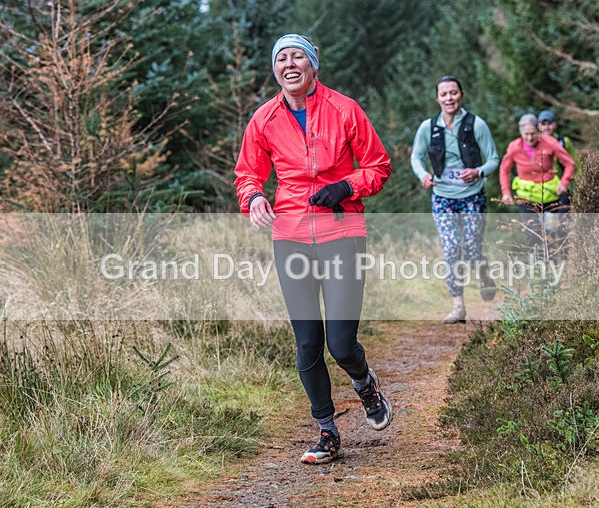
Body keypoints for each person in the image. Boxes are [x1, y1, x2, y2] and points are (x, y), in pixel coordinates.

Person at [234, 34, 393, 465]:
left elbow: (378, 167)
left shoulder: (344, 109)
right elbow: (247, 174)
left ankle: (365, 384)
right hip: (291, 235)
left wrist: (346, 185)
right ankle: (327, 431)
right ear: (275, 70)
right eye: (281, 58)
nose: (289, 63)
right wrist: (254, 199)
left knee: (340, 343)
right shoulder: (264, 119)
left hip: (342, 231)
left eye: (297, 56)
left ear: (313, 66)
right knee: (307, 343)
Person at [410, 75, 500, 324]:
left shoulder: (476, 124)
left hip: (473, 197)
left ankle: (484, 274)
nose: (449, 98)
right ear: (437, 98)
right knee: (451, 250)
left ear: (461, 95)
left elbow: (493, 159)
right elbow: (416, 158)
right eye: (444, 94)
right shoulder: (428, 127)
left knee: (471, 249)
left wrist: (478, 171)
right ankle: (458, 306)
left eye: (453, 93)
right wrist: (423, 175)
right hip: (442, 198)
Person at [500, 114, 575, 253]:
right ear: (520, 132)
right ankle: (536, 268)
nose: (529, 138)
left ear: (539, 131)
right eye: (526, 134)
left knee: (550, 232)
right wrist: (506, 192)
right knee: (532, 234)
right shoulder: (514, 147)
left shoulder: (550, 142)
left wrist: (564, 183)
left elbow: (570, 163)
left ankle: (552, 267)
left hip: (550, 198)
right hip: (526, 198)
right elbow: (504, 169)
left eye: (533, 133)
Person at [537, 109, 582, 212]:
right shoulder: (535, 144)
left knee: (562, 221)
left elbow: (575, 163)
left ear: (555, 125)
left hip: (562, 188)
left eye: (549, 123)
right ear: (539, 126)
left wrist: (579, 183)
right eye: (543, 124)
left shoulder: (564, 142)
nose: (547, 127)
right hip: (542, 191)